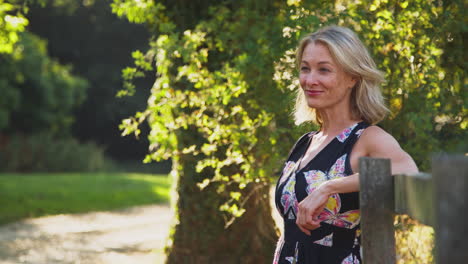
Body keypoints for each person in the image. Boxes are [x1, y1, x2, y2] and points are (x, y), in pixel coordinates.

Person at [273, 26, 418, 264]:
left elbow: (409, 172)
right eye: (305, 69)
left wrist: (329, 187)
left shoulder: (368, 137)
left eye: (324, 70)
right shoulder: (306, 142)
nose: (310, 80)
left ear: (353, 77)